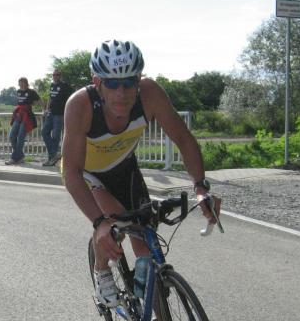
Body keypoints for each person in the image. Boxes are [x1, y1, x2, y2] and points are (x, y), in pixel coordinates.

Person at [61, 39, 221, 306]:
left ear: (139, 79)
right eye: (112, 84)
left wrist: (201, 187)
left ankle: (152, 310)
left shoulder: (150, 94)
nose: (122, 92)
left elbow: (183, 139)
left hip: (124, 167)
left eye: (129, 82)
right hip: (88, 174)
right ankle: (101, 271)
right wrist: (99, 223)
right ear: (97, 82)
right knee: (115, 226)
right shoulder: (80, 105)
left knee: (145, 242)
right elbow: (72, 173)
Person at [6, 77, 43, 165]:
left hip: (27, 116)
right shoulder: (18, 91)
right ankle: (21, 156)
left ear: (27, 83)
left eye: (23, 83)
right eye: (20, 83)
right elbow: (19, 103)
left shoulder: (31, 92)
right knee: (12, 136)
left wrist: (42, 108)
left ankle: (14, 158)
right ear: (19, 84)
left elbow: (40, 102)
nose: (22, 84)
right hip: (18, 115)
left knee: (20, 137)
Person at [41, 69, 73, 166]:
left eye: (57, 74)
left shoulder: (65, 86)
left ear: (60, 76)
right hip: (50, 113)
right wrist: (46, 109)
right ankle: (54, 155)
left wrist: (66, 112)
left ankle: (51, 159)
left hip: (59, 114)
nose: (55, 76)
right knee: (44, 132)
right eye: (54, 75)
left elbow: (71, 99)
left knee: (55, 136)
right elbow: (50, 98)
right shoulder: (52, 85)